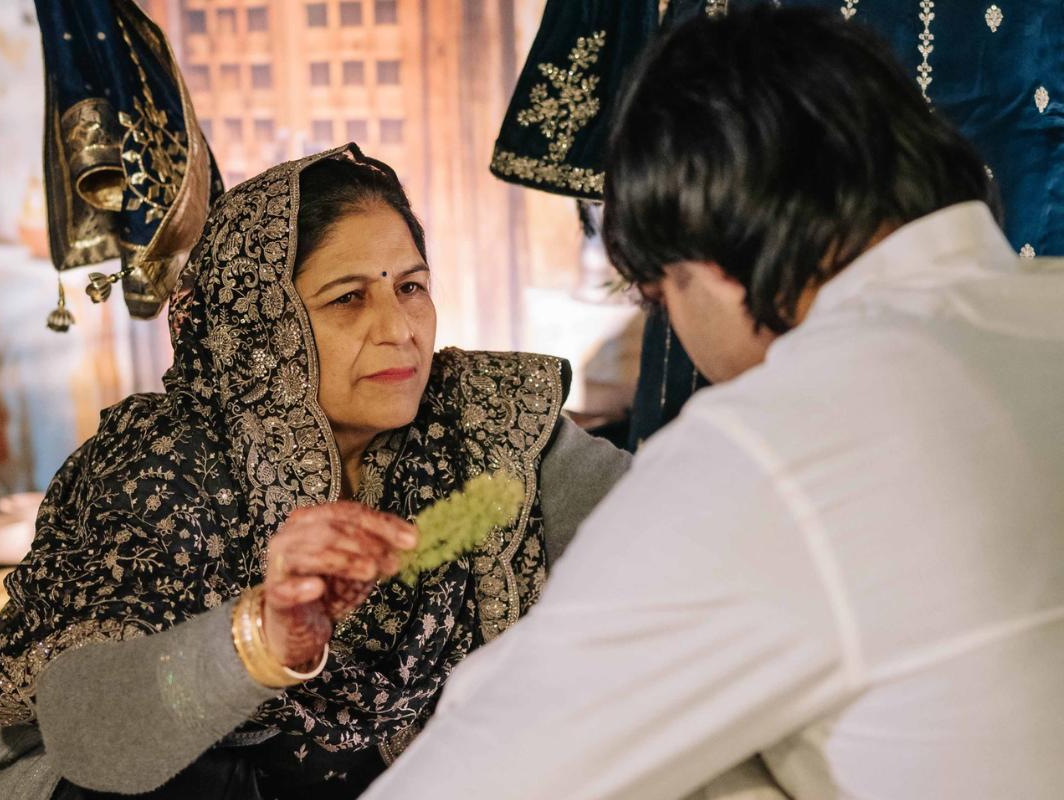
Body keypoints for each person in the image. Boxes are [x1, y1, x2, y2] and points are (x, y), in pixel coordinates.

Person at [361, 7, 1064, 799]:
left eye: (663, 296)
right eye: (346, 298)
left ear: (713, 259)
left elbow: (472, 777)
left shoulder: (777, 445)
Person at [0, 145, 630, 799]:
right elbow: (93, 741)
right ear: (260, 324)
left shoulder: (482, 424)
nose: (399, 328)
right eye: (349, 297)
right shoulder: (165, 467)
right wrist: (260, 635)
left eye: (411, 286)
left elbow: (663, 520)